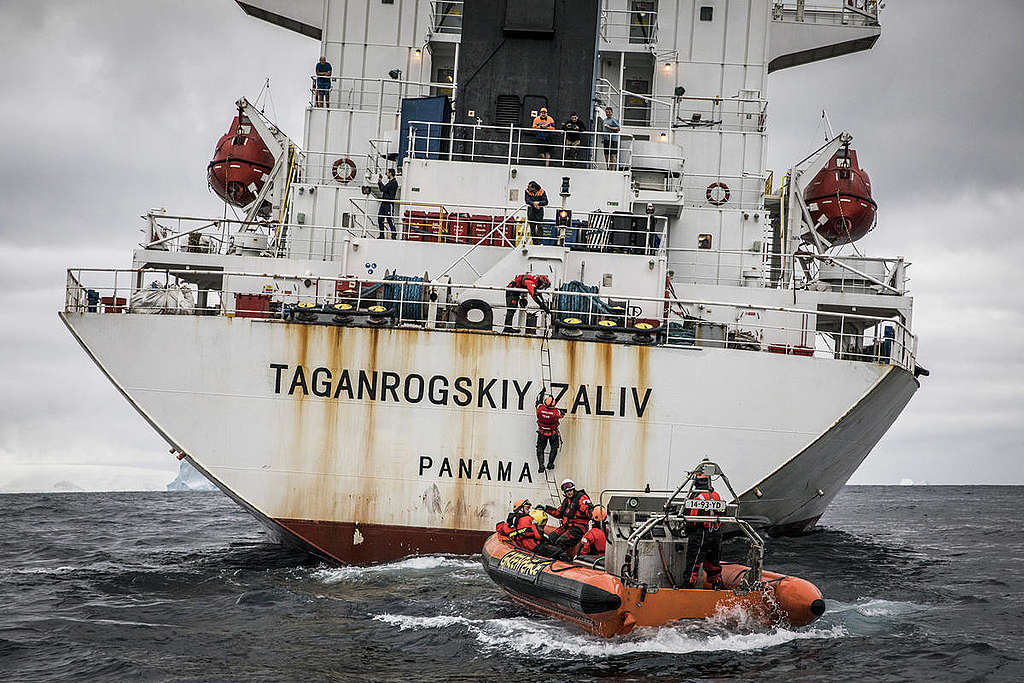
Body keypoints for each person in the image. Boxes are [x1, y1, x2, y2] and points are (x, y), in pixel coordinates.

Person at [683, 472, 725, 589]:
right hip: (716, 533)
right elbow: (723, 514)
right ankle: (718, 587)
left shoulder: (696, 497)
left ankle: (688, 588)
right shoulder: (717, 496)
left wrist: (686, 531)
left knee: (693, 563)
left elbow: (691, 519)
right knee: (714, 563)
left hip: (700, 534)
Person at [542, 479, 593, 557]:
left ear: (573, 489)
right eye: (567, 492)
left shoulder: (581, 498)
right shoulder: (567, 501)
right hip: (567, 527)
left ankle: (562, 559)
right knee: (552, 537)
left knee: (561, 542)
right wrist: (546, 508)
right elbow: (558, 513)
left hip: (578, 529)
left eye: (570, 491)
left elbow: (588, 509)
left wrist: (593, 514)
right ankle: (550, 556)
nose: (569, 493)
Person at [535, 393, 563, 472]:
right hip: (552, 433)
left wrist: (541, 396)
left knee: (540, 448)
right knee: (554, 448)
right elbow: (562, 415)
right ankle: (550, 464)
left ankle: (541, 465)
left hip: (542, 433)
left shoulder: (540, 408)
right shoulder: (556, 412)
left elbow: (537, 404)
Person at [376, 169, 398, 239]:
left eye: (387, 173)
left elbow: (383, 189)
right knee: (380, 219)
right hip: (384, 203)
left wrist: (380, 182)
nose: (386, 174)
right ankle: (382, 234)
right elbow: (383, 189)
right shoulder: (390, 182)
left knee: (390, 219)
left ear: (391, 173)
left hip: (389, 203)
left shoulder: (394, 182)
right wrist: (380, 182)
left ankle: (394, 234)